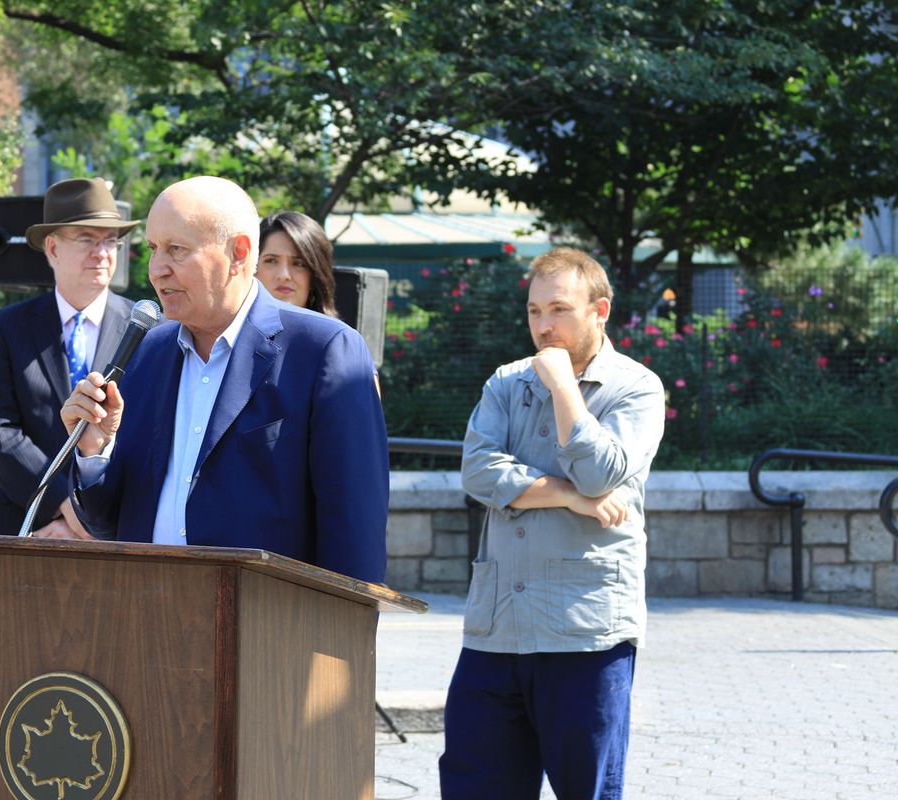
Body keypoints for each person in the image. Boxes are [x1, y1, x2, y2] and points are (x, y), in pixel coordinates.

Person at [53, 176, 388, 584]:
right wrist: (94, 448)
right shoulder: (147, 352)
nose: (157, 269)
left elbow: (355, 527)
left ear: (238, 253)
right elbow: (109, 523)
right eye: (153, 249)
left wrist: (339, 641)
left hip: (269, 627)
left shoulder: (324, 349)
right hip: (147, 620)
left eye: (177, 250)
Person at [438, 247, 665, 799]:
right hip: (497, 629)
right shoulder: (506, 383)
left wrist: (565, 388)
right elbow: (477, 470)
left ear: (599, 311)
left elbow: (602, 473)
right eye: (535, 311)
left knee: (585, 790)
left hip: (584, 630)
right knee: (473, 787)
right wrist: (566, 497)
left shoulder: (636, 389)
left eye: (559, 310)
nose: (544, 326)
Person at [0, 178, 137, 536]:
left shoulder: (145, 330)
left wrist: (92, 516)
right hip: (25, 517)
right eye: (86, 240)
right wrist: (63, 507)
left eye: (110, 240)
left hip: (118, 523)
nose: (102, 252)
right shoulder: (6, 327)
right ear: (52, 248)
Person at [258, 211, 338, 316]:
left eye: (298, 264)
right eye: (271, 261)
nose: (284, 275)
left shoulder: (338, 332)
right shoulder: (233, 330)